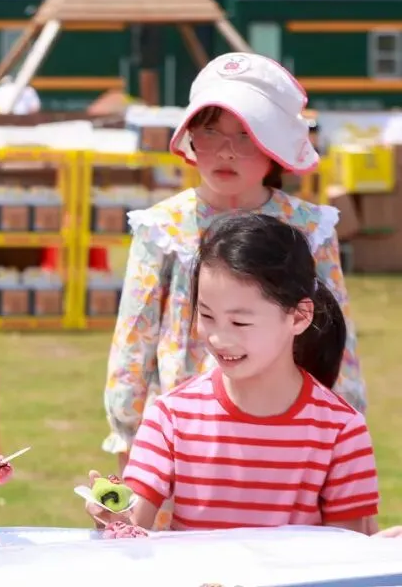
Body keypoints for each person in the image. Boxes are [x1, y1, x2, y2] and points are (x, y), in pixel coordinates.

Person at [102, 52, 366, 529]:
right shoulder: (163, 227)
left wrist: (343, 420)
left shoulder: (311, 227)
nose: (226, 151)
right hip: (187, 440)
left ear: (276, 145)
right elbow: (135, 337)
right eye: (210, 132)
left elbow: (335, 332)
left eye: (246, 135)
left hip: (287, 434)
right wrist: (129, 434)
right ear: (189, 137)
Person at [87, 212, 378, 534]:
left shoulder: (341, 431)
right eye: (207, 316)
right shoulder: (170, 418)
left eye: (240, 322)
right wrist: (112, 517)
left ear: (298, 317)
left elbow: (346, 551)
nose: (217, 338)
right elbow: (131, 523)